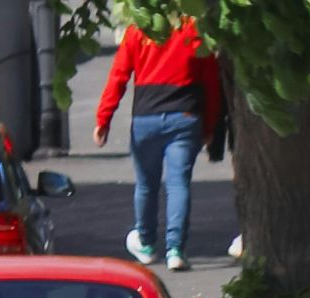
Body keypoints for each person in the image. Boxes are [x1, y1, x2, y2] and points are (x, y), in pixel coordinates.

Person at [93, 18, 222, 272]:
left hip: (146, 117)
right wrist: (209, 127)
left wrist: (103, 119)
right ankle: (175, 249)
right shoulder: (194, 29)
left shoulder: (139, 28)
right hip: (186, 116)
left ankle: (146, 243)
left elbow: (118, 76)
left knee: (145, 184)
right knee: (178, 184)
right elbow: (211, 83)